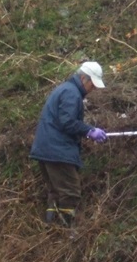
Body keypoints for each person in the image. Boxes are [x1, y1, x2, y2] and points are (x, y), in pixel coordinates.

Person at [30, 61, 108, 226]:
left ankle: (51, 233)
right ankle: (64, 234)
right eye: (92, 84)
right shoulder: (71, 93)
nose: (93, 89)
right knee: (70, 192)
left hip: (46, 149)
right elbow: (67, 122)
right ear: (83, 78)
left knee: (55, 193)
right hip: (57, 151)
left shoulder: (65, 89)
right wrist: (88, 130)